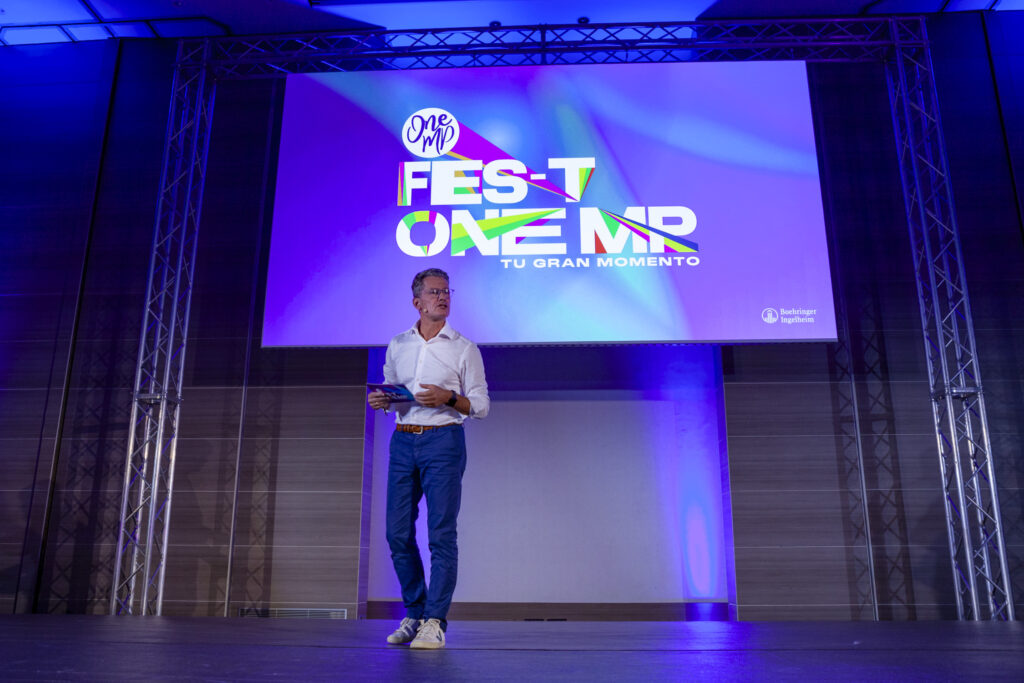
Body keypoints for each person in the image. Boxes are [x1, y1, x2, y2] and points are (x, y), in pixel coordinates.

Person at [367, 268, 489, 650]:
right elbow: (392, 390)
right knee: (397, 533)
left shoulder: (464, 348)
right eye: (435, 292)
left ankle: (435, 620)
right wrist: (381, 402)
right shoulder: (398, 344)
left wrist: (449, 398)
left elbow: (481, 406)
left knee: (440, 534)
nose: (443, 297)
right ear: (417, 302)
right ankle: (415, 613)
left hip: (443, 441)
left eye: (447, 291)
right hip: (403, 441)